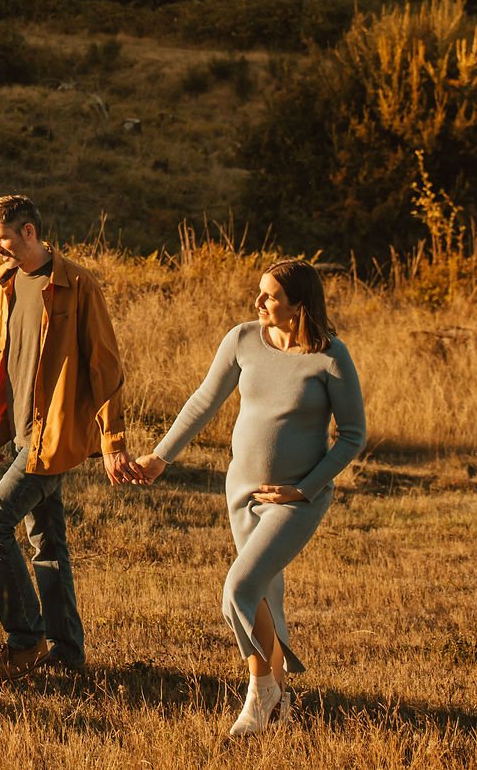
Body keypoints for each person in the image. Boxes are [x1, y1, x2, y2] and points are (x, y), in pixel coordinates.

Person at [131, 259, 366, 736]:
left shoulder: (330, 356)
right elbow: (203, 402)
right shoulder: (242, 339)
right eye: (260, 292)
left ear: (299, 305)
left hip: (295, 500)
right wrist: (161, 456)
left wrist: (305, 488)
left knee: (239, 589)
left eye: (271, 296)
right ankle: (280, 706)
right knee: (264, 595)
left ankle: (261, 693)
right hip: (241, 491)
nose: (258, 302)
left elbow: (352, 436)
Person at [0, 194, 135, 683]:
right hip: (23, 433)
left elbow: (105, 366)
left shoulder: (77, 284)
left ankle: (25, 640)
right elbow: (0, 361)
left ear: (28, 232)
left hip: (55, 436)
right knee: (47, 541)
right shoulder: (5, 282)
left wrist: (114, 441)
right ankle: (67, 652)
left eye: (1, 238)